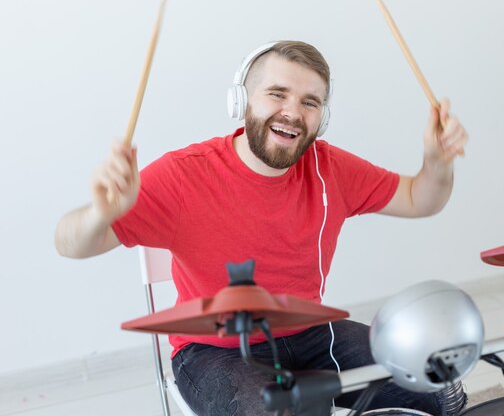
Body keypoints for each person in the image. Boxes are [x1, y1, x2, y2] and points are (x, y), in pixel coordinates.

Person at [55, 40, 468, 416]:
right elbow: (69, 244)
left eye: (310, 102)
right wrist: (99, 213)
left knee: (435, 387)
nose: (292, 112)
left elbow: (420, 199)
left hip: (310, 334)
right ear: (241, 102)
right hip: (213, 351)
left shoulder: (328, 168)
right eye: (277, 94)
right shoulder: (184, 176)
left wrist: (437, 162)